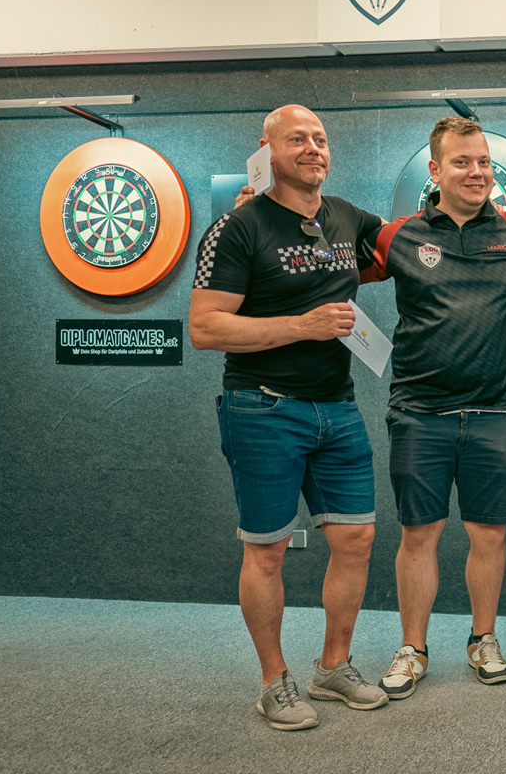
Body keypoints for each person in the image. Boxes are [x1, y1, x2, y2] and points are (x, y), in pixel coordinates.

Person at [189, 104, 388, 731]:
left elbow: (402, 248)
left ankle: (333, 666)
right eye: (297, 138)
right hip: (263, 406)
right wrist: (303, 326)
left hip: (338, 407)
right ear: (267, 149)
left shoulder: (347, 217)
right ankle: (273, 682)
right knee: (268, 550)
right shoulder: (237, 227)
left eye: (320, 139)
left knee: (356, 540)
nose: (312, 148)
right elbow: (205, 327)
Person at [360, 117, 506, 700]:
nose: (477, 172)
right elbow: (329, 270)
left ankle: (483, 639)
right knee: (419, 534)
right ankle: (413, 647)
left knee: (489, 535)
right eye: (462, 162)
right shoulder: (398, 235)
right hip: (418, 412)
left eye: (483, 162)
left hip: (494, 412)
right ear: (435, 170)